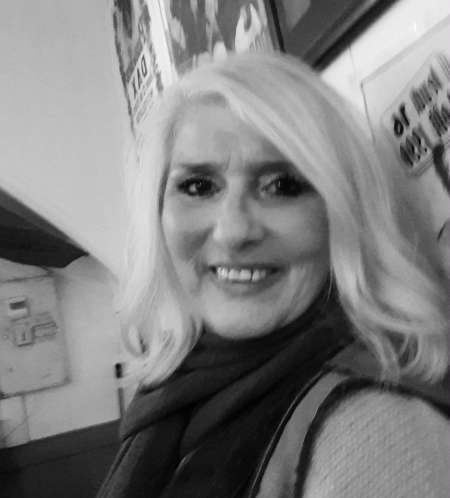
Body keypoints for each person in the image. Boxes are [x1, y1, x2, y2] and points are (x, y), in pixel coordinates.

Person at [98, 52, 450, 498]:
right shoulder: (176, 385)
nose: (233, 231)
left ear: (344, 212)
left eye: (283, 186)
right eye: (198, 186)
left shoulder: (375, 432)